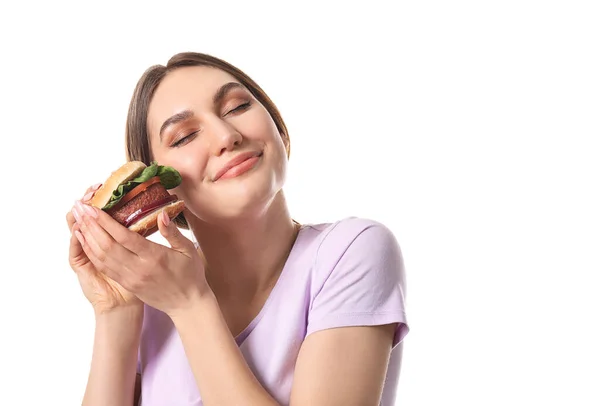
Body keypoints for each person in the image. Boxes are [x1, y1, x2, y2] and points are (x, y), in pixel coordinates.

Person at [66, 52, 409, 406]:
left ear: (277, 125)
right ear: (156, 186)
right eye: (184, 137)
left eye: (237, 107)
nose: (227, 136)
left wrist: (191, 304)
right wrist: (115, 311)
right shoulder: (153, 298)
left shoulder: (351, 251)